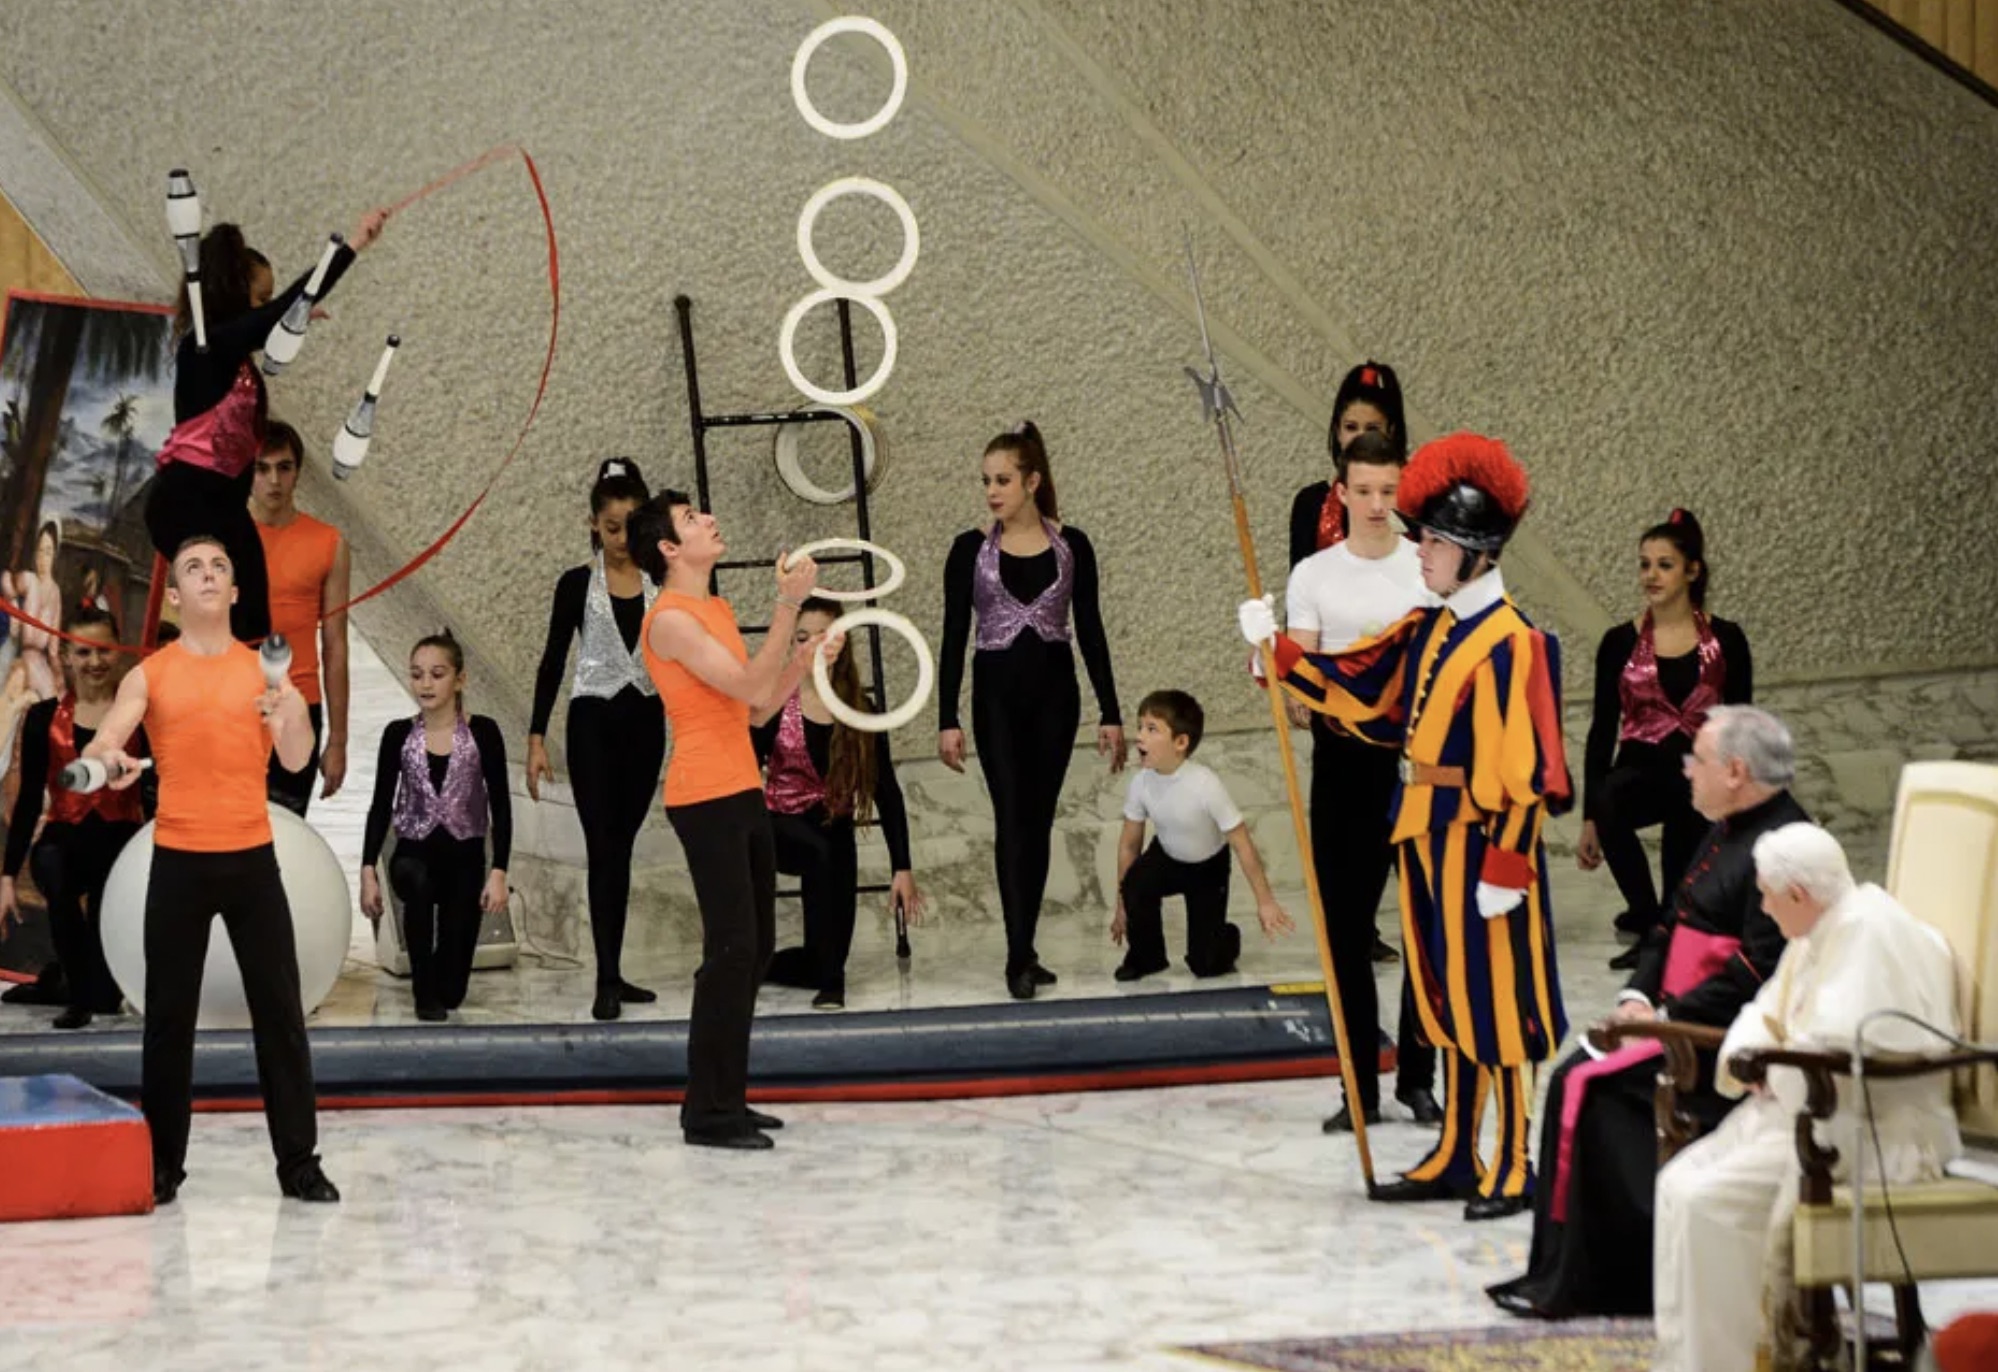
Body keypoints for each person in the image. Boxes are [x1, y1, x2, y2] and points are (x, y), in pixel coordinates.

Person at [1241, 431, 1570, 1221]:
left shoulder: (1514, 644)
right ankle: (1459, 1151)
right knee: (1447, 1002)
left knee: (1496, 1011)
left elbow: (1528, 777)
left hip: (1482, 848)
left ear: (1476, 553)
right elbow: (1360, 685)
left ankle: (1512, 1160)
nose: (1418, 548)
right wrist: (1276, 648)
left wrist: (1508, 869)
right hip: (1424, 833)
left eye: (1436, 541)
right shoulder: (1435, 626)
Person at [1488, 705, 1808, 1319]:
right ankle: (1555, 1271)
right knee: (1569, 1076)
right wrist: (1637, 995)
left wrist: (1661, 1019)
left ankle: (1600, 1280)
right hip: (1666, 1017)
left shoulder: (1783, 845)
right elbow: (1667, 926)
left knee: (1584, 1086)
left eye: (1700, 761)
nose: (1688, 772)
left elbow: (1757, 973)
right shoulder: (1723, 829)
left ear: (1737, 771)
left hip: (1714, 1041)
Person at [83, 536, 337, 1205]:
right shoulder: (152, 673)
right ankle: (163, 1166)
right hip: (178, 862)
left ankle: (299, 1165)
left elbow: (295, 758)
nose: (206, 575)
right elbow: (106, 740)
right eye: (192, 567)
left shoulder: (263, 671)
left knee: (280, 1015)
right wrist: (110, 757)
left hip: (252, 860)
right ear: (173, 595)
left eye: (218, 568)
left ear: (233, 594)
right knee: (168, 1020)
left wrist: (289, 715)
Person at [1654, 823, 1960, 1372]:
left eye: (1768, 897)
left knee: (1705, 1203)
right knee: (1676, 1185)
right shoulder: (1820, 929)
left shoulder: (1869, 933)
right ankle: (1699, 1359)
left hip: (1866, 1132)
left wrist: (1773, 1068)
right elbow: (1764, 1012)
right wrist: (1758, 1062)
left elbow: (1846, 1052)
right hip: (1809, 1118)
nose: (1765, 911)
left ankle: (1744, 1359)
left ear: (1798, 893)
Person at [630, 489, 836, 1150]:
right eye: (692, 520)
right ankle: (709, 1110)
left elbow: (751, 709)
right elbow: (749, 686)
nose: (710, 520)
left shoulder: (713, 607)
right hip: (703, 795)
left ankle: (725, 1097)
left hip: (742, 788)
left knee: (756, 948)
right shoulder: (669, 619)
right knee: (731, 950)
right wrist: (786, 606)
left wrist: (802, 661)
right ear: (668, 549)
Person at [1284, 429, 1441, 1133]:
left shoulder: (1428, 567)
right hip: (1342, 768)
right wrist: (1276, 658)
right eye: (1366, 491)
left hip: (1416, 764)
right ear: (1340, 493)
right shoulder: (1313, 576)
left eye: (1389, 492)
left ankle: (1418, 1078)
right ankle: (1359, 1088)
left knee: (1424, 927)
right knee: (1345, 933)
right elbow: (1302, 692)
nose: (1378, 505)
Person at [938, 421, 1124, 1001]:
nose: (992, 491)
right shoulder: (970, 550)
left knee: (1037, 822)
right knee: (1011, 816)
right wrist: (947, 717)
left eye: (1003, 480)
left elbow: (1091, 631)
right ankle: (1018, 956)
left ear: (1032, 481)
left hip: (1055, 700)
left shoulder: (1073, 546)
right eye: (987, 481)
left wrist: (1110, 711)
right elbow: (951, 636)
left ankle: (1027, 946)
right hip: (995, 699)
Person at [147, 211, 386, 643]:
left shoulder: (230, 358)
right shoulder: (205, 347)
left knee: (253, 617)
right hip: (187, 507)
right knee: (236, 614)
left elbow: (274, 319)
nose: (265, 310)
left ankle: (246, 696)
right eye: (260, 300)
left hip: (220, 508)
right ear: (235, 295)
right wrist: (353, 245)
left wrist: (292, 317)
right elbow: (275, 315)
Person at [1580, 510, 1752, 970]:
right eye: (1644, 564)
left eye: (1664, 564)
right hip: (1640, 774)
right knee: (1610, 795)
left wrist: (1741, 800)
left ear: (1692, 571)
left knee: (1690, 806)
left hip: (1699, 778)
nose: (1650, 575)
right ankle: (1650, 918)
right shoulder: (1619, 642)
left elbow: (1741, 724)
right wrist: (1589, 818)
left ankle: (1666, 930)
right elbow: (1602, 729)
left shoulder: (1727, 639)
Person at [525, 458, 663, 1021]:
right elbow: (553, 660)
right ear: (593, 524)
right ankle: (605, 978)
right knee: (602, 846)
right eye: (612, 528)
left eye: (633, 526)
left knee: (622, 848)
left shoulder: (665, 580)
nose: (623, 539)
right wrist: (535, 735)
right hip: (592, 726)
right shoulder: (577, 583)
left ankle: (614, 970)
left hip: (646, 725)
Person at [752, 597, 924, 1011]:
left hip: (831, 827)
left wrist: (902, 867)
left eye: (823, 637)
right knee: (820, 850)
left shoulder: (861, 712)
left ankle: (771, 968)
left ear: (840, 644)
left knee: (822, 955)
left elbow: (888, 793)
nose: (812, 645)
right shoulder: (776, 702)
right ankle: (832, 982)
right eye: (802, 637)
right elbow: (739, 763)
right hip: (780, 824)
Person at [0, 609, 148, 1029]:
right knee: (53, 866)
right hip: (65, 841)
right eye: (84, 653)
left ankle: (65, 983)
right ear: (66, 656)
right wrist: (7, 876)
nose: (95, 662)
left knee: (106, 998)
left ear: (118, 653)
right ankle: (73, 994)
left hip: (119, 841)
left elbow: (157, 789)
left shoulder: (138, 714)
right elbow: (30, 797)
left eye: (104, 651)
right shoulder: (44, 718)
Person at [358, 631, 511, 1022]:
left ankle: (440, 985)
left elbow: (501, 806)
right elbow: (380, 806)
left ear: (460, 679)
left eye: (437, 674)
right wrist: (368, 871)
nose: (425, 683)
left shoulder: (484, 733)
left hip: (464, 860)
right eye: (417, 674)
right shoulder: (398, 736)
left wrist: (498, 872)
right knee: (417, 884)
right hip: (413, 855)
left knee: (453, 992)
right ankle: (421, 990)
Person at [1112, 689, 1293, 980]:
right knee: (1136, 883)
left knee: (1205, 965)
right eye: (1140, 727)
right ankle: (1147, 957)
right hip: (1167, 856)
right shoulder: (1140, 783)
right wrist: (1122, 906)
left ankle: (1225, 935)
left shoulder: (1205, 784)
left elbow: (1243, 844)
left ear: (1180, 742)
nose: (1140, 737)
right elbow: (1129, 846)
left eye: (1152, 729)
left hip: (1208, 867)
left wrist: (1266, 902)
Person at [250, 421, 351, 815]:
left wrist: (339, 740)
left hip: (299, 706)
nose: (274, 479)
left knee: (285, 839)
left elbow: (336, 645)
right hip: (232, 705)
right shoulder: (225, 540)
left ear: (297, 472)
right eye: (261, 468)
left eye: (284, 467)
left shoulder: (330, 543)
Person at [1288, 361, 1407, 567]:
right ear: (1338, 432)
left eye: (1372, 429)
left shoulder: (1414, 503)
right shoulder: (1311, 504)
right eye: (1351, 427)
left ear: (1391, 431)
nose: (1360, 439)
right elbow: (1300, 590)